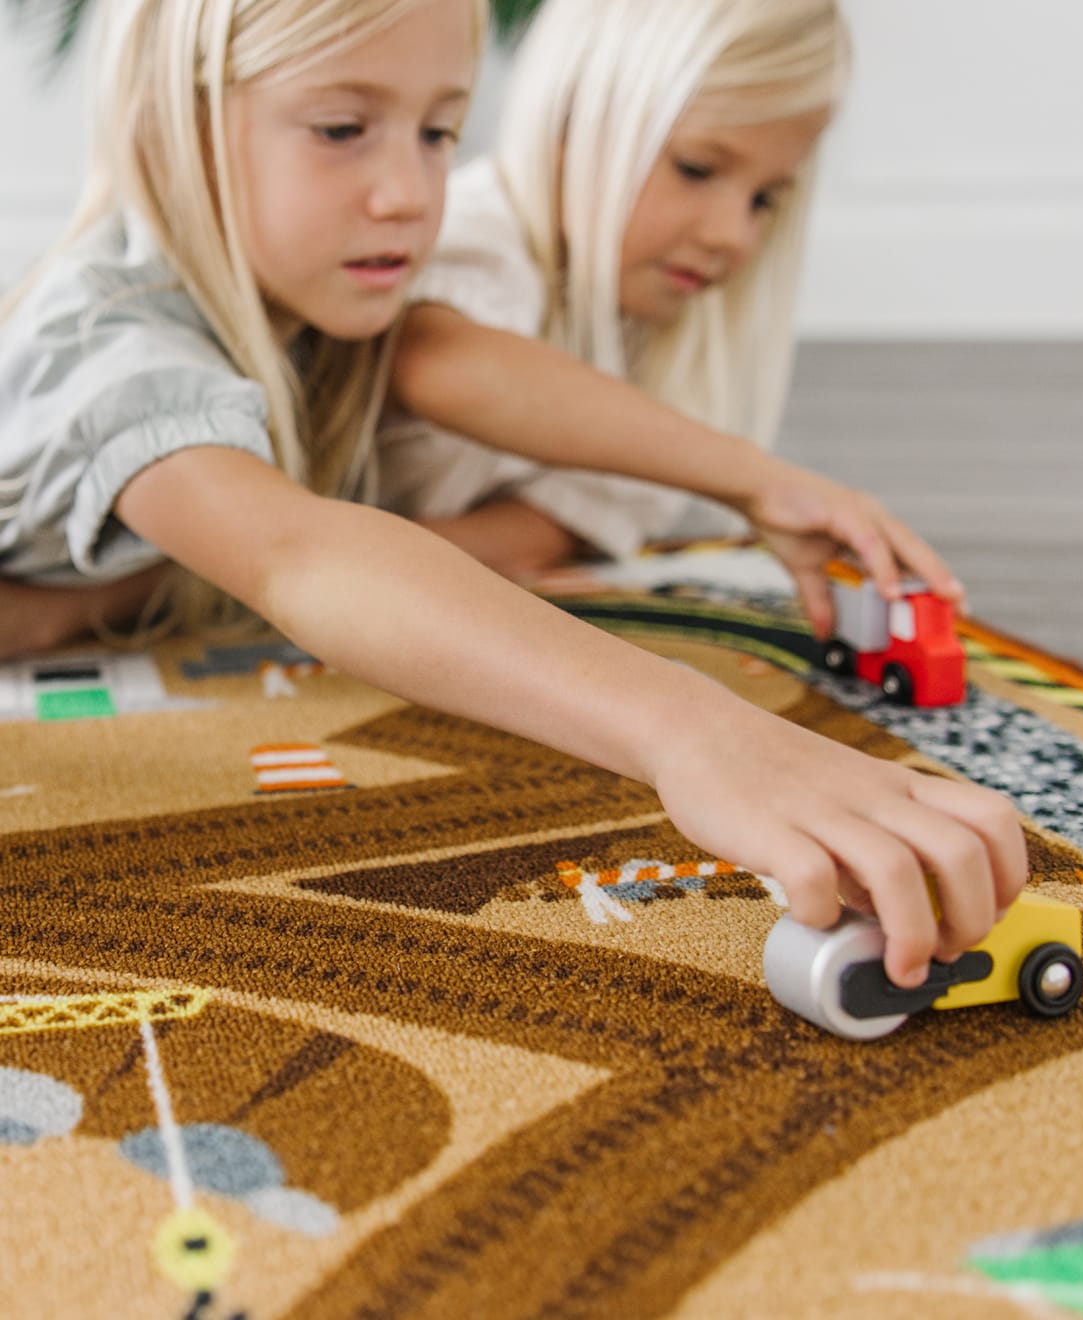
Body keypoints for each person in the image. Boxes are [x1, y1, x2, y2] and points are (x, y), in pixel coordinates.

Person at [0, 0, 1026, 990]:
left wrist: (765, 486)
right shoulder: (110, 346)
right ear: (169, 119)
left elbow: (447, 357)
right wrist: (693, 732)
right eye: (344, 129)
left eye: (440, 131)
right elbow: (297, 554)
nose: (409, 191)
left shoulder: (297, 288)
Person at [377, 0, 877, 581]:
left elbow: (528, 539)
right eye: (695, 169)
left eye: (764, 199)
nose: (731, 236)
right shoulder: (471, 236)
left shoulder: (674, 354)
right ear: (572, 120)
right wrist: (756, 478)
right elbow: (435, 364)